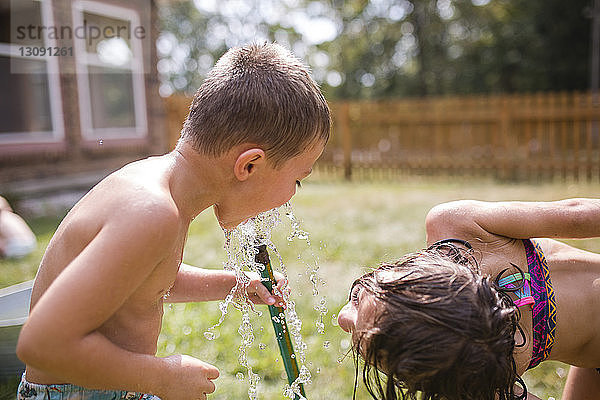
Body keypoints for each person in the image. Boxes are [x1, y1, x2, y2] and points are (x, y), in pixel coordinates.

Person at [16, 42, 330, 400]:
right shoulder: (152, 212)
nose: (292, 195)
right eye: (298, 179)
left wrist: (235, 285)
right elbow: (41, 345)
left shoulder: (162, 197)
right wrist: (160, 378)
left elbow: (142, 280)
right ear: (249, 165)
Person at [337, 198, 600, 400]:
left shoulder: (471, 374)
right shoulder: (455, 225)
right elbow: (578, 213)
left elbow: (578, 215)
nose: (341, 318)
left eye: (358, 298)